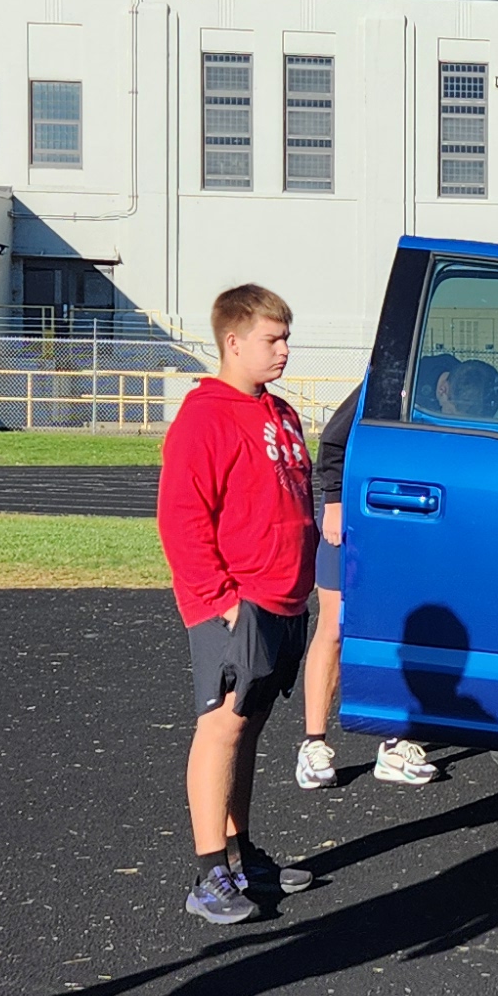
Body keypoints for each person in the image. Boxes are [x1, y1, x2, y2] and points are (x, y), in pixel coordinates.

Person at [157, 284, 320, 928]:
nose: (283, 350)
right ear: (233, 341)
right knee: (221, 727)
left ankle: (240, 852)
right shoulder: (206, 417)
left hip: (283, 599)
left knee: (247, 727)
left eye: (285, 337)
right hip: (235, 604)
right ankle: (207, 873)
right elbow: (181, 518)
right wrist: (219, 599)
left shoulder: (279, 413)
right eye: (271, 339)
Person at [295, 389, 437, 792]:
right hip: (355, 519)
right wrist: (335, 501)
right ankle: (314, 744)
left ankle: (393, 742)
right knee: (335, 627)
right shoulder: (386, 379)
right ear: (441, 385)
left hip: (403, 525)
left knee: (395, 631)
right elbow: (334, 440)